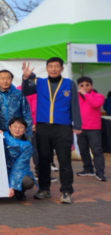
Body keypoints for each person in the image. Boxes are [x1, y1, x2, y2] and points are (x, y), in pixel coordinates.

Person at [22, 58, 82, 204]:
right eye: (50, 66)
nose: (53, 69)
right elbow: (25, 92)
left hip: (63, 128)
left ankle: (66, 191)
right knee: (43, 160)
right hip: (43, 127)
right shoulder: (40, 82)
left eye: (56, 66)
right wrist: (25, 77)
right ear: (46, 68)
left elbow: (75, 104)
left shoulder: (69, 84)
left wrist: (77, 125)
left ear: (62, 68)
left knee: (64, 161)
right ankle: (44, 189)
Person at [75, 76, 106, 181]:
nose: (84, 87)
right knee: (83, 151)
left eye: (87, 85)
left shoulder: (99, 96)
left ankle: (100, 172)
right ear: (78, 86)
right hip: (80, 128)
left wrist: (85, 94)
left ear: (91, 86)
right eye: (81, 85)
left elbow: (95, 104)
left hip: (94, 128)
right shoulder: (75, 97)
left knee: (97, 151)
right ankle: (88, 169)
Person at [0, 70, 32, 137]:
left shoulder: (19, 94)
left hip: (16, 132)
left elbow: (26, 114)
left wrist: (28, 133)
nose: (5, 81)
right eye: (2, 78)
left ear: (11, 80)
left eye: (8, 78)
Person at [3, 117, 37, 201]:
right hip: (1, 170)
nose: (17, 129)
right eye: (14, 126)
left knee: (28, 182)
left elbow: (19, 167)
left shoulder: (27, 145)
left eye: (21, 127)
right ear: (9, 127)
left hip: (17, 171)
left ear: (25, 129)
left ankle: (19, 190)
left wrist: (12, 186)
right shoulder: (2, 137)